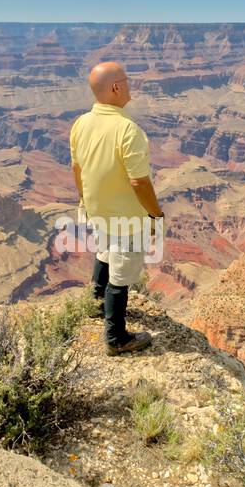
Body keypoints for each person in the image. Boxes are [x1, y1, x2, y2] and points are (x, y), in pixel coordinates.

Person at [69, 61, 164, 355]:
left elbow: (76, 168)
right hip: (125, 218)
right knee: (121, 274)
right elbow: (139, 183)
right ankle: (116, 338)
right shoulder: (128, 130)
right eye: (126, 81)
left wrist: (85, 199)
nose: (130, 86)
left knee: (104, 253)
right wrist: (155, 214)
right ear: (115, 88)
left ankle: (95, 304)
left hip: (96, 209)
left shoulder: (81, 123)